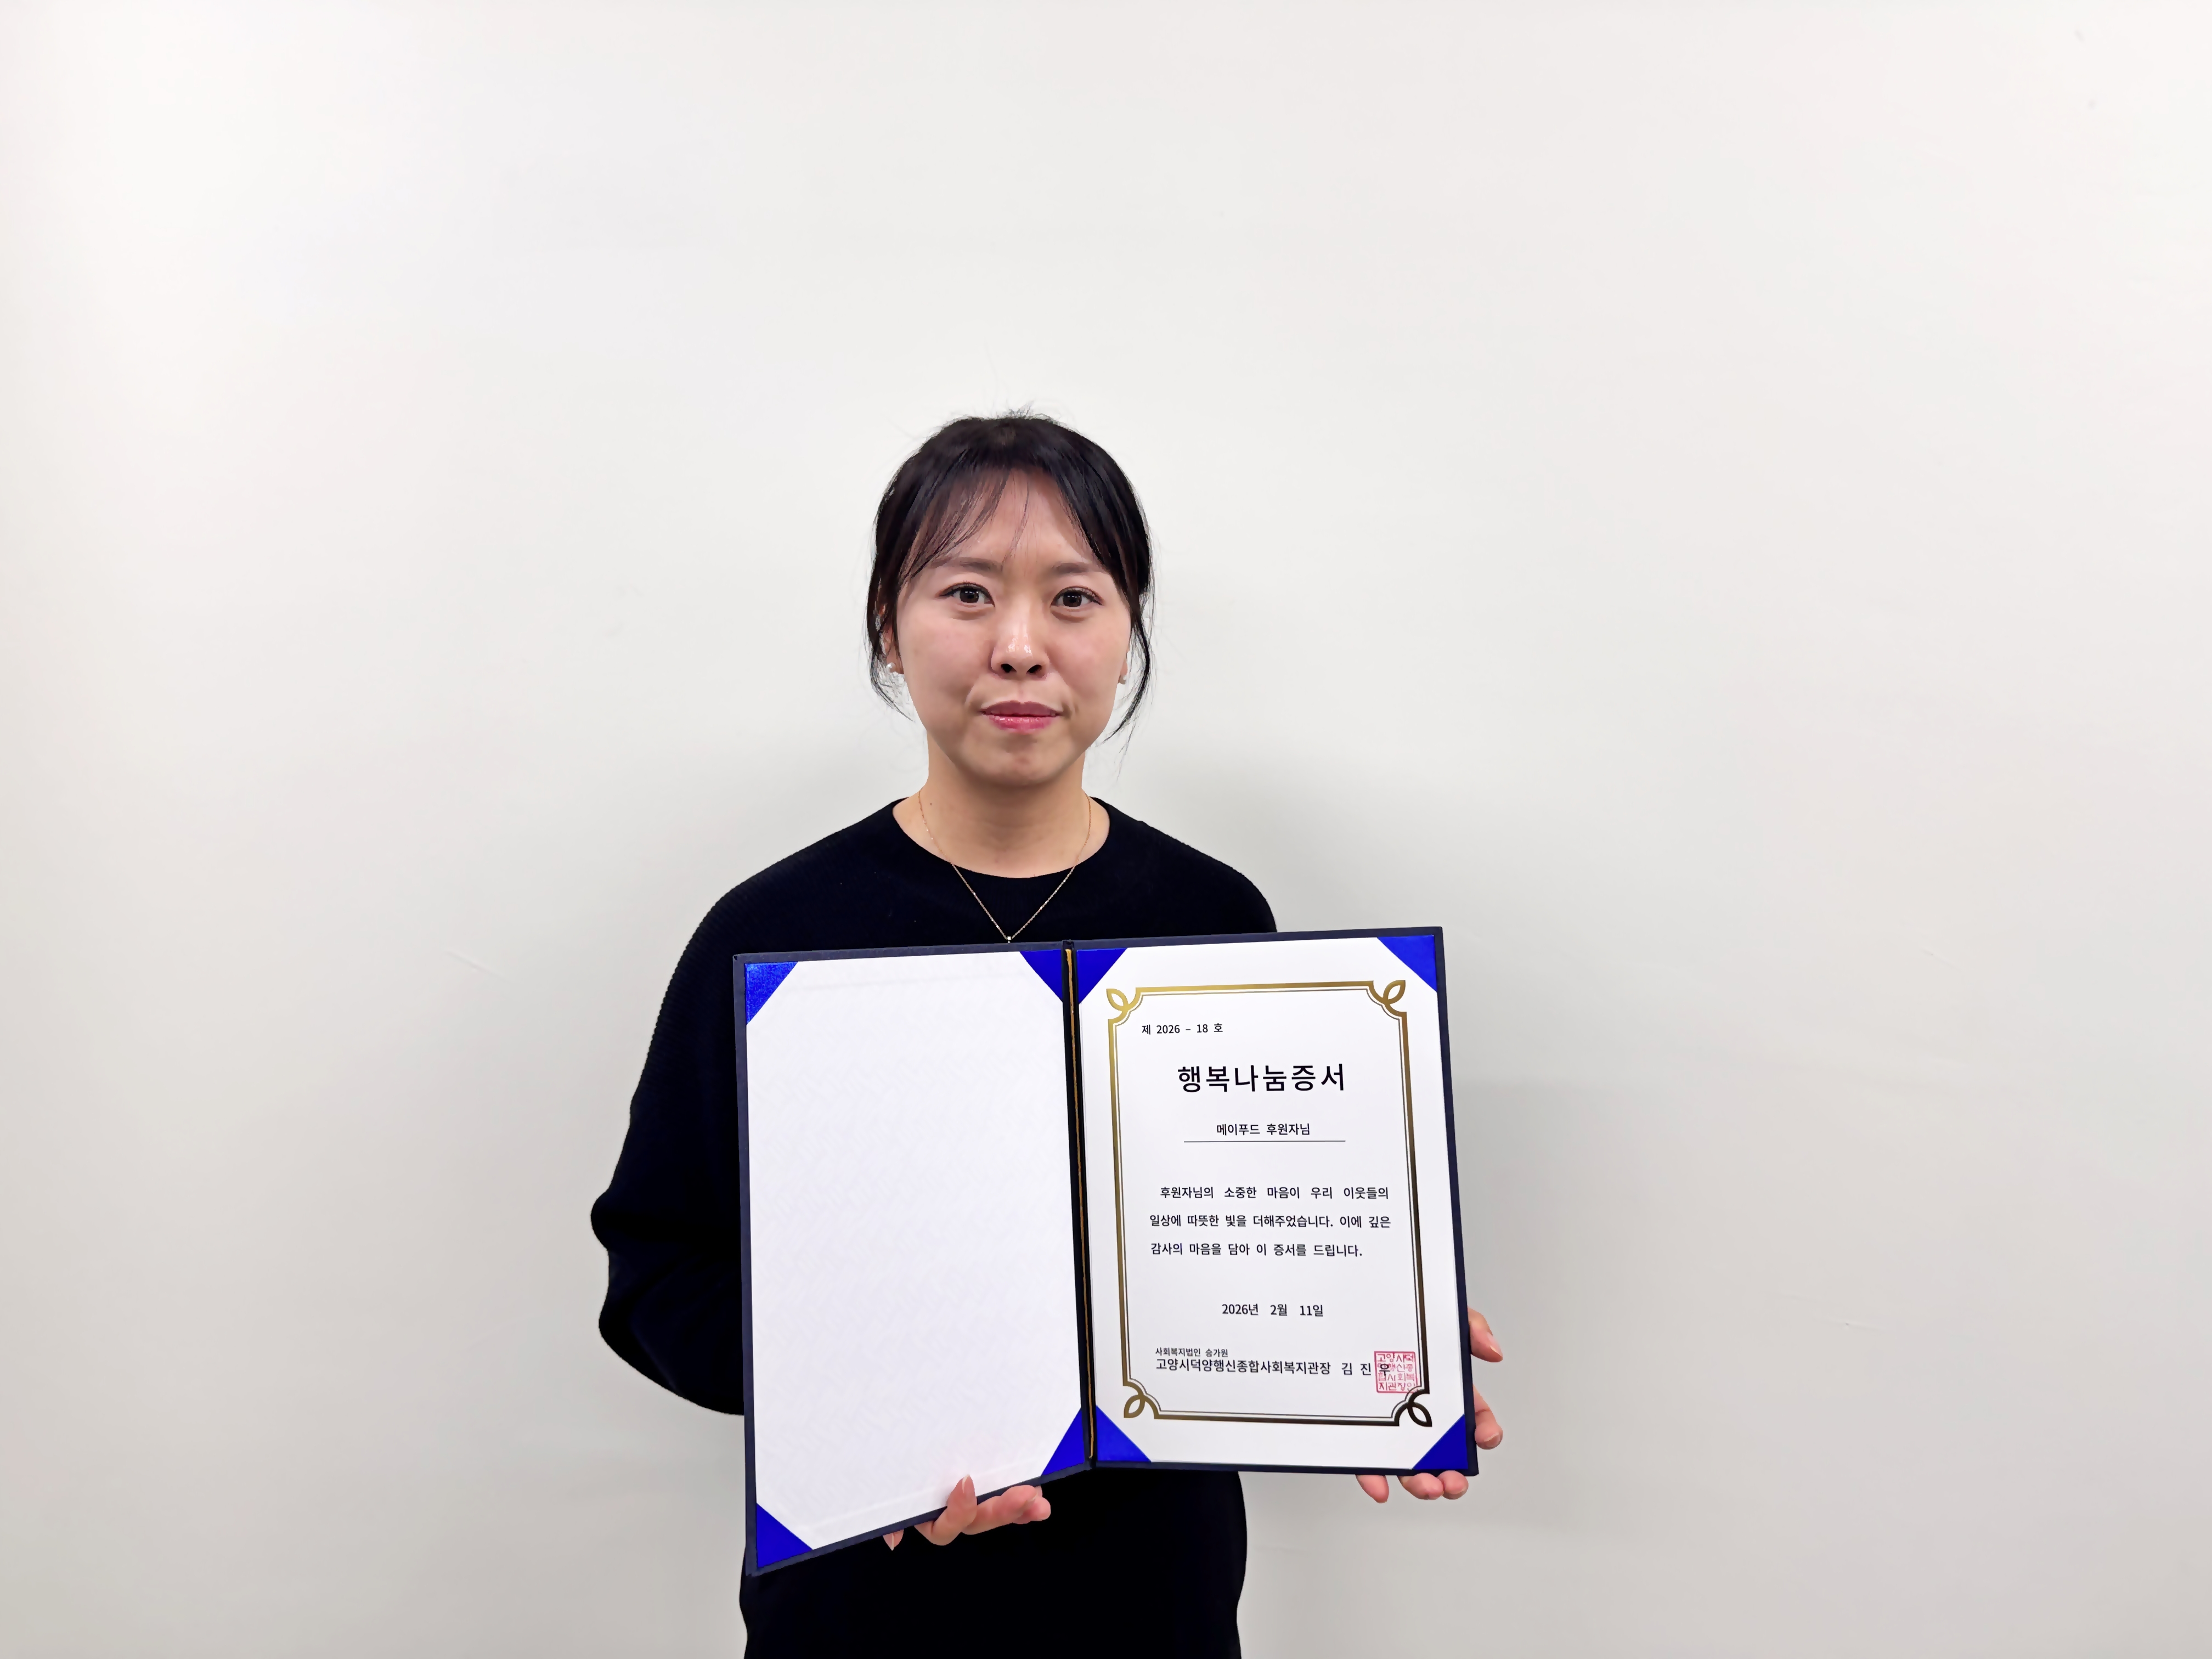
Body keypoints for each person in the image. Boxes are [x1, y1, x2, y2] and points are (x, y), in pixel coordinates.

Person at [590, 414, 1505, 1656]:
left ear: (1127, 633)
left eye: (1073, 597)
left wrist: (1362, 1327)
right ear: (888, 625)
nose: (1019, 645)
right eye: (967, 592)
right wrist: (875, 1420)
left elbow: (1257, 1203)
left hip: (1150, 1603)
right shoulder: (774, 932)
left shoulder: (1213, 917)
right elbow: (659, 1274)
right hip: (863, 1608)